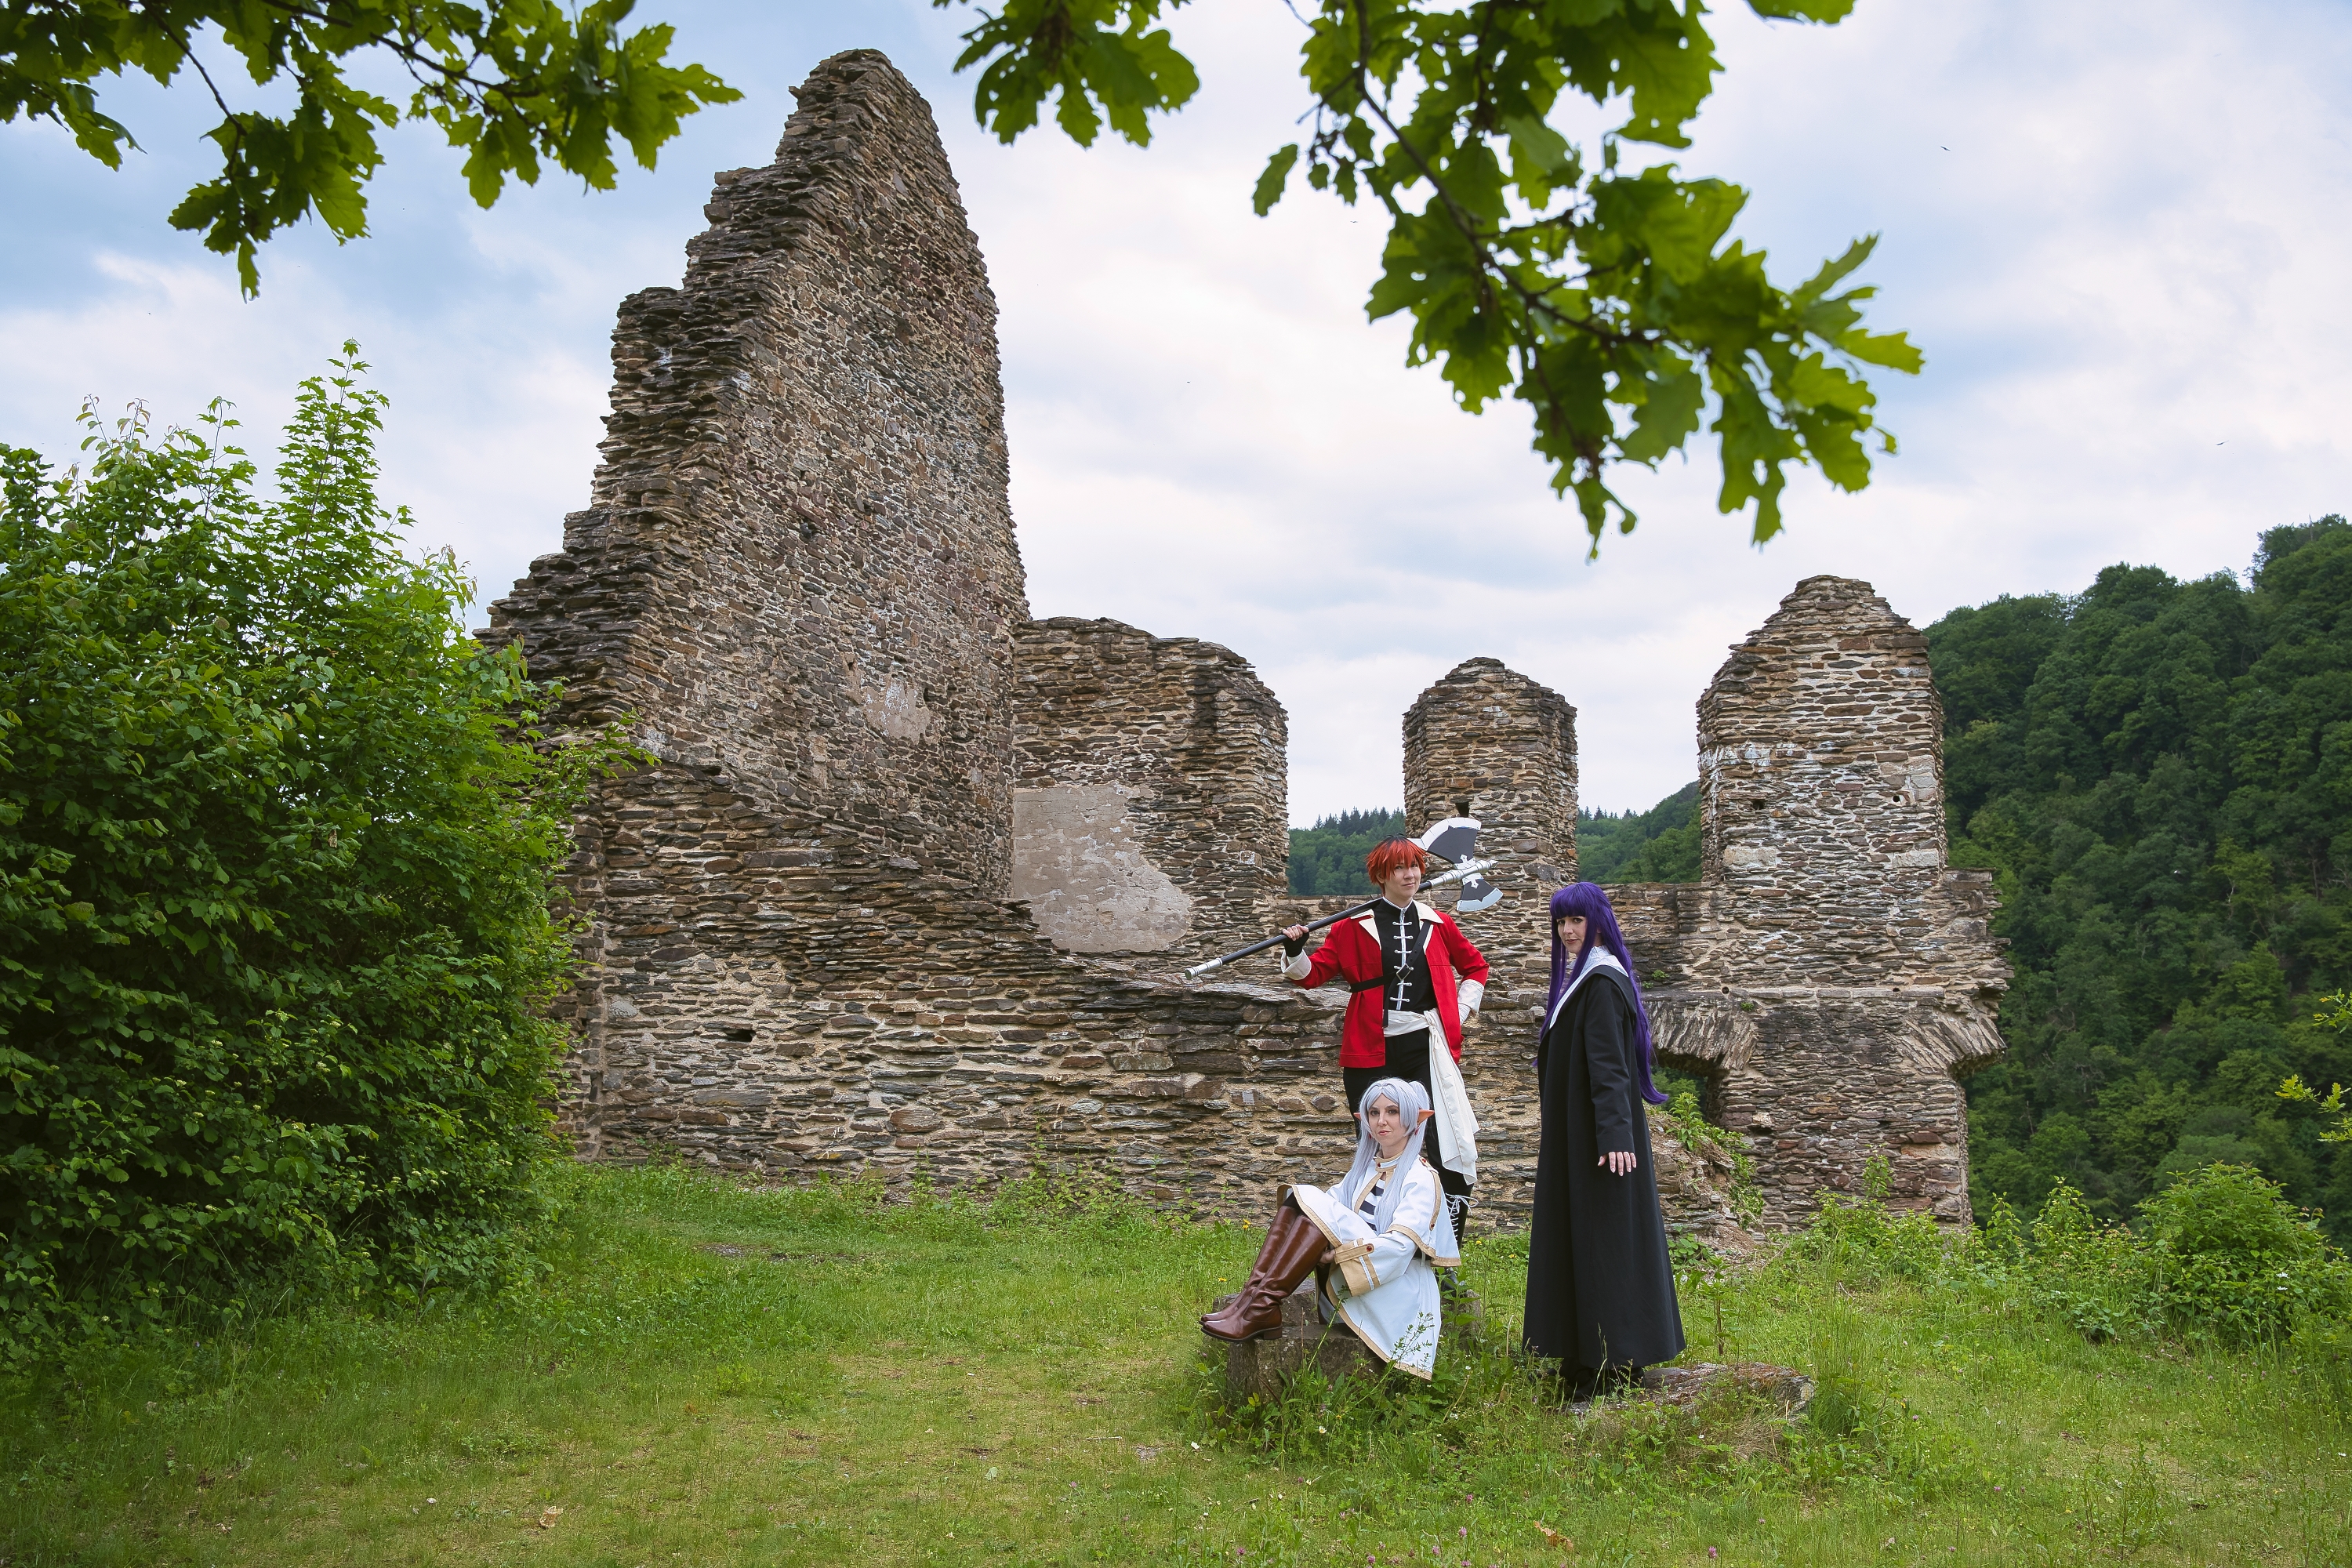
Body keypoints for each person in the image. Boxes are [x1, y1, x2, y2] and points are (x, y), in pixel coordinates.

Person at [1274, 837, 1489, 1243]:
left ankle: (1445, 1243)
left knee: (1443, 1141)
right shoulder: (1351, 926)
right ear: (1381, 876)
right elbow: (1312, 976)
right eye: (1399, 869)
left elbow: (1476, 967)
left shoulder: (1439, 924)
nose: (1410, 875)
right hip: (1370, 1050)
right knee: (1375, 1143)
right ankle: (1376, 1239)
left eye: (1415, 867)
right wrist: (1297, 950)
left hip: (1425, 1048)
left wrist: (1457, 1013)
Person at [1522, 881, 1686, 1397]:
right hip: (1577, 1136)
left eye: (1576, 921)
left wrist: (1615, 1136)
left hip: (1600, 1142)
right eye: (1560, 922)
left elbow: (1611, 1068)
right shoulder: (1584, 978)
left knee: (1605, 1244)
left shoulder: (1600, 982)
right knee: (1581, 1239)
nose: (1568, 931)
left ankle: (1615, 1365)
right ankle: (1580, 1359)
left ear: (1597, 922)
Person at [1199, 1077, 1459, 1377]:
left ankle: (1261, 1307)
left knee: (1310, 1199)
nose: (1381, 1121)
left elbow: (1400, 1248)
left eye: (1393, 1111)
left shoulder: (1421, 1178)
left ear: (1414, 1119)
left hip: (1397, 1291)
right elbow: (1325, 1208)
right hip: (1365, 1276)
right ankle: (1252, 1303)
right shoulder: (1366, 1170)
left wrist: (1336, 1255)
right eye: (1374, 1112)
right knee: (1302, 1202)